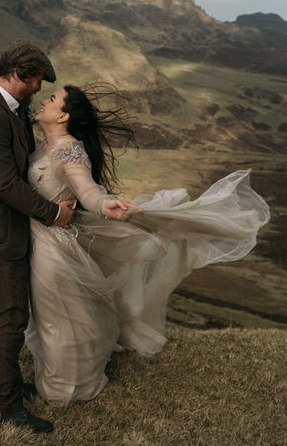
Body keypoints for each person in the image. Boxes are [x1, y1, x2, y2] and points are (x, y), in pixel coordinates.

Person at [25, 84, 270, 407]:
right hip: (36, 234)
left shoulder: (70, 150)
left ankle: (65, 390)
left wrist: (104, 204)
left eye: (52, 99)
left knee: (60, 316)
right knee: (53, 313)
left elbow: (86, 190)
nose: (44, 100)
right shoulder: (44, 145)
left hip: (52, 245)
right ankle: (64, 376)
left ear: (64, 115)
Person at [0, 42, 108, 433]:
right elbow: (5, 182)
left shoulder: (0, 105)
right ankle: (5, 405)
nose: (40, 88)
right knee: (11, 316)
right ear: (21, 74)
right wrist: (55, 213)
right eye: (38, 80)